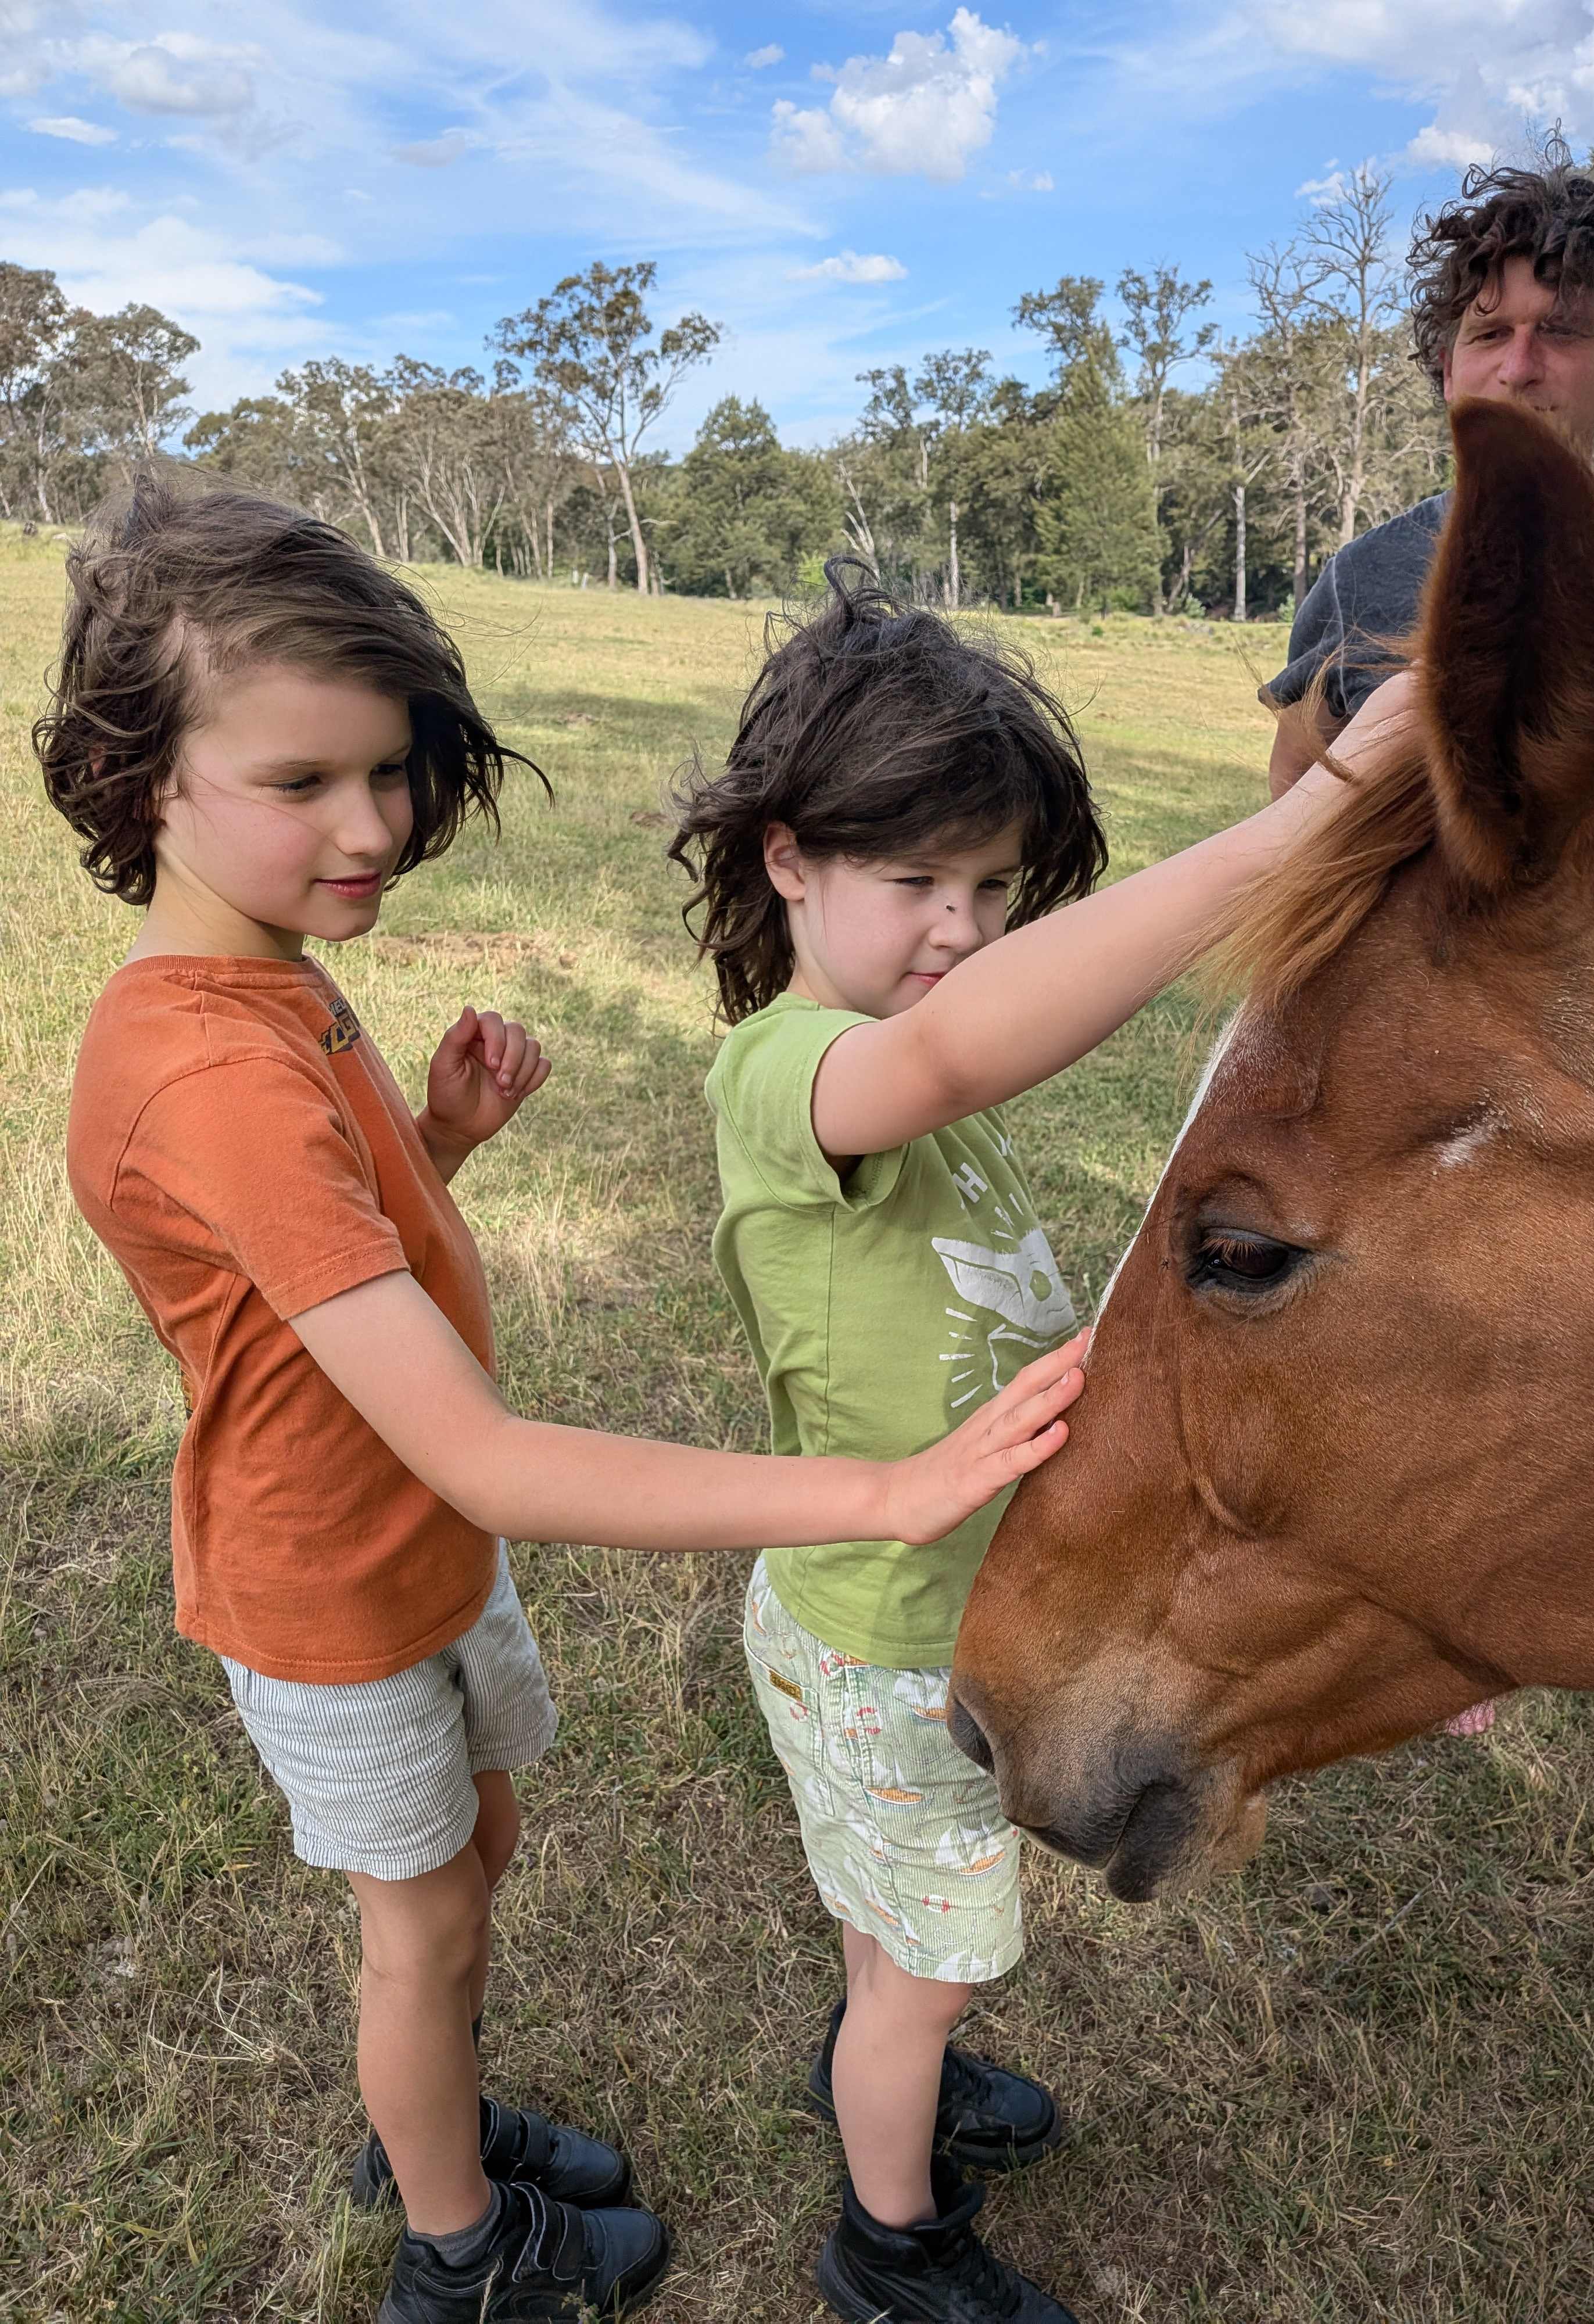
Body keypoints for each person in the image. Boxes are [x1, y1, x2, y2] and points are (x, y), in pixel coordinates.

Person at [38, 478, 1088, 2324]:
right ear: (148, 781)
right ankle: (457, 2245)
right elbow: (485, 1449)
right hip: (331, 1586)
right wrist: (878, 1492)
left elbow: (311, 1267)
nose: (371, 825)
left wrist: (434, 1147)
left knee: (471, 1866)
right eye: (301, 783)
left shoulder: (268, 984)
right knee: (420, 1921)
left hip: (407, 1556)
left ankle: (432, 2105)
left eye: (386, 770)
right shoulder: (205, 1060)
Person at [671, 566, 1405, 2324]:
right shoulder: (793, 1077)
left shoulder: (920, 1076)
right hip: (884, 1639)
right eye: (914, 880)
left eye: (993, 888)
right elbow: (948, 1047)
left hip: (939, 1621)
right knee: (927, 1974)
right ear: (787, 857)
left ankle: (886, 2054)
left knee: (896, 1944)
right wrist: (1305, 823)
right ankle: (888, 2237)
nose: (961, 928)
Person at [1267, 149, 1594, 797]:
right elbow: (1295, 776)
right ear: (1447, 366)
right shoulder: (1362, 578)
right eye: (1489, 335)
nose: (1519, 368)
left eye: (1561, 330)